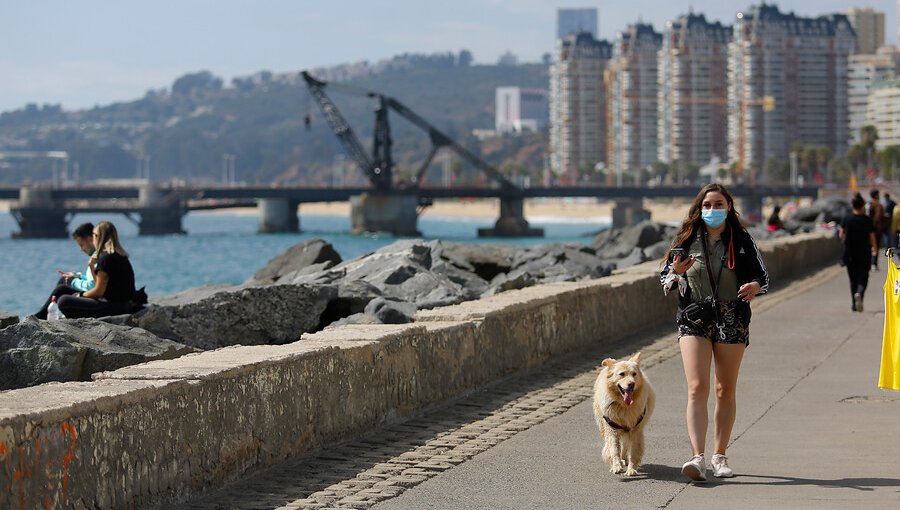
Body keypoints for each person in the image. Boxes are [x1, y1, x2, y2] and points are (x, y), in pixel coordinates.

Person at [659, 183, 769, 481]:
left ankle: (720, 455)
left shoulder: (742, 240)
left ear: (729, 207)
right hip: (694, 318)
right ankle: (697, 457)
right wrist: (677, 273)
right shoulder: (687, 239)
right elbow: (665, 278)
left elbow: (763, 277)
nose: (712, 210)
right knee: (697, 388)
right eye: (707, 205)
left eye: (718, 204)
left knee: (724, 389)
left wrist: (755, 287)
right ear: (699, 209)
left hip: (732, 318)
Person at [56, 221, 139, 318]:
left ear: (97, 237)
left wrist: (81, 295)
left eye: (94, 236)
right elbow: (99, 284)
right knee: (68, 295)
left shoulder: (105, 259)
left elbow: (99, 292)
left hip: (115, 308)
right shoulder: (120, 256)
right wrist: (92, 267)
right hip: (123, 305)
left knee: (64, 301)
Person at [34, 222, 97, 319]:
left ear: (90, 239)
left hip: (96, 297)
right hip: (93, 293)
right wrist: (78, 276)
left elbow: (93, 286)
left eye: (82, 244)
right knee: (64, 280)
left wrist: (73, 281)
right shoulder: (97, 256)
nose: (81, 249)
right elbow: (95, 280)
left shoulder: (97, 258)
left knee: (62, 289)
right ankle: (45, 312)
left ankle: (41, 316)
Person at [840, 193, 877, 312]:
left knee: (852, 279)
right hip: (864, 252)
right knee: (863, 277)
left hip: (850, 253)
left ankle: (853, 304)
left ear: (853, 205)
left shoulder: (847, 218)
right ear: (862, 205)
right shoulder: (867, 220)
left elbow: (841, 234)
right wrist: (874, 248)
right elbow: (872, 236)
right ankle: (860, 293)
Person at [867, 189, 886, 269]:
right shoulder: (878, 205)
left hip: (867, 229)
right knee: (875, 246)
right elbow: (878, 217)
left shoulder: (868, 204)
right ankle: (874, 263)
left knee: (869, 246)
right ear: (876, 195)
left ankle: (869, 263)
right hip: (876, 230)